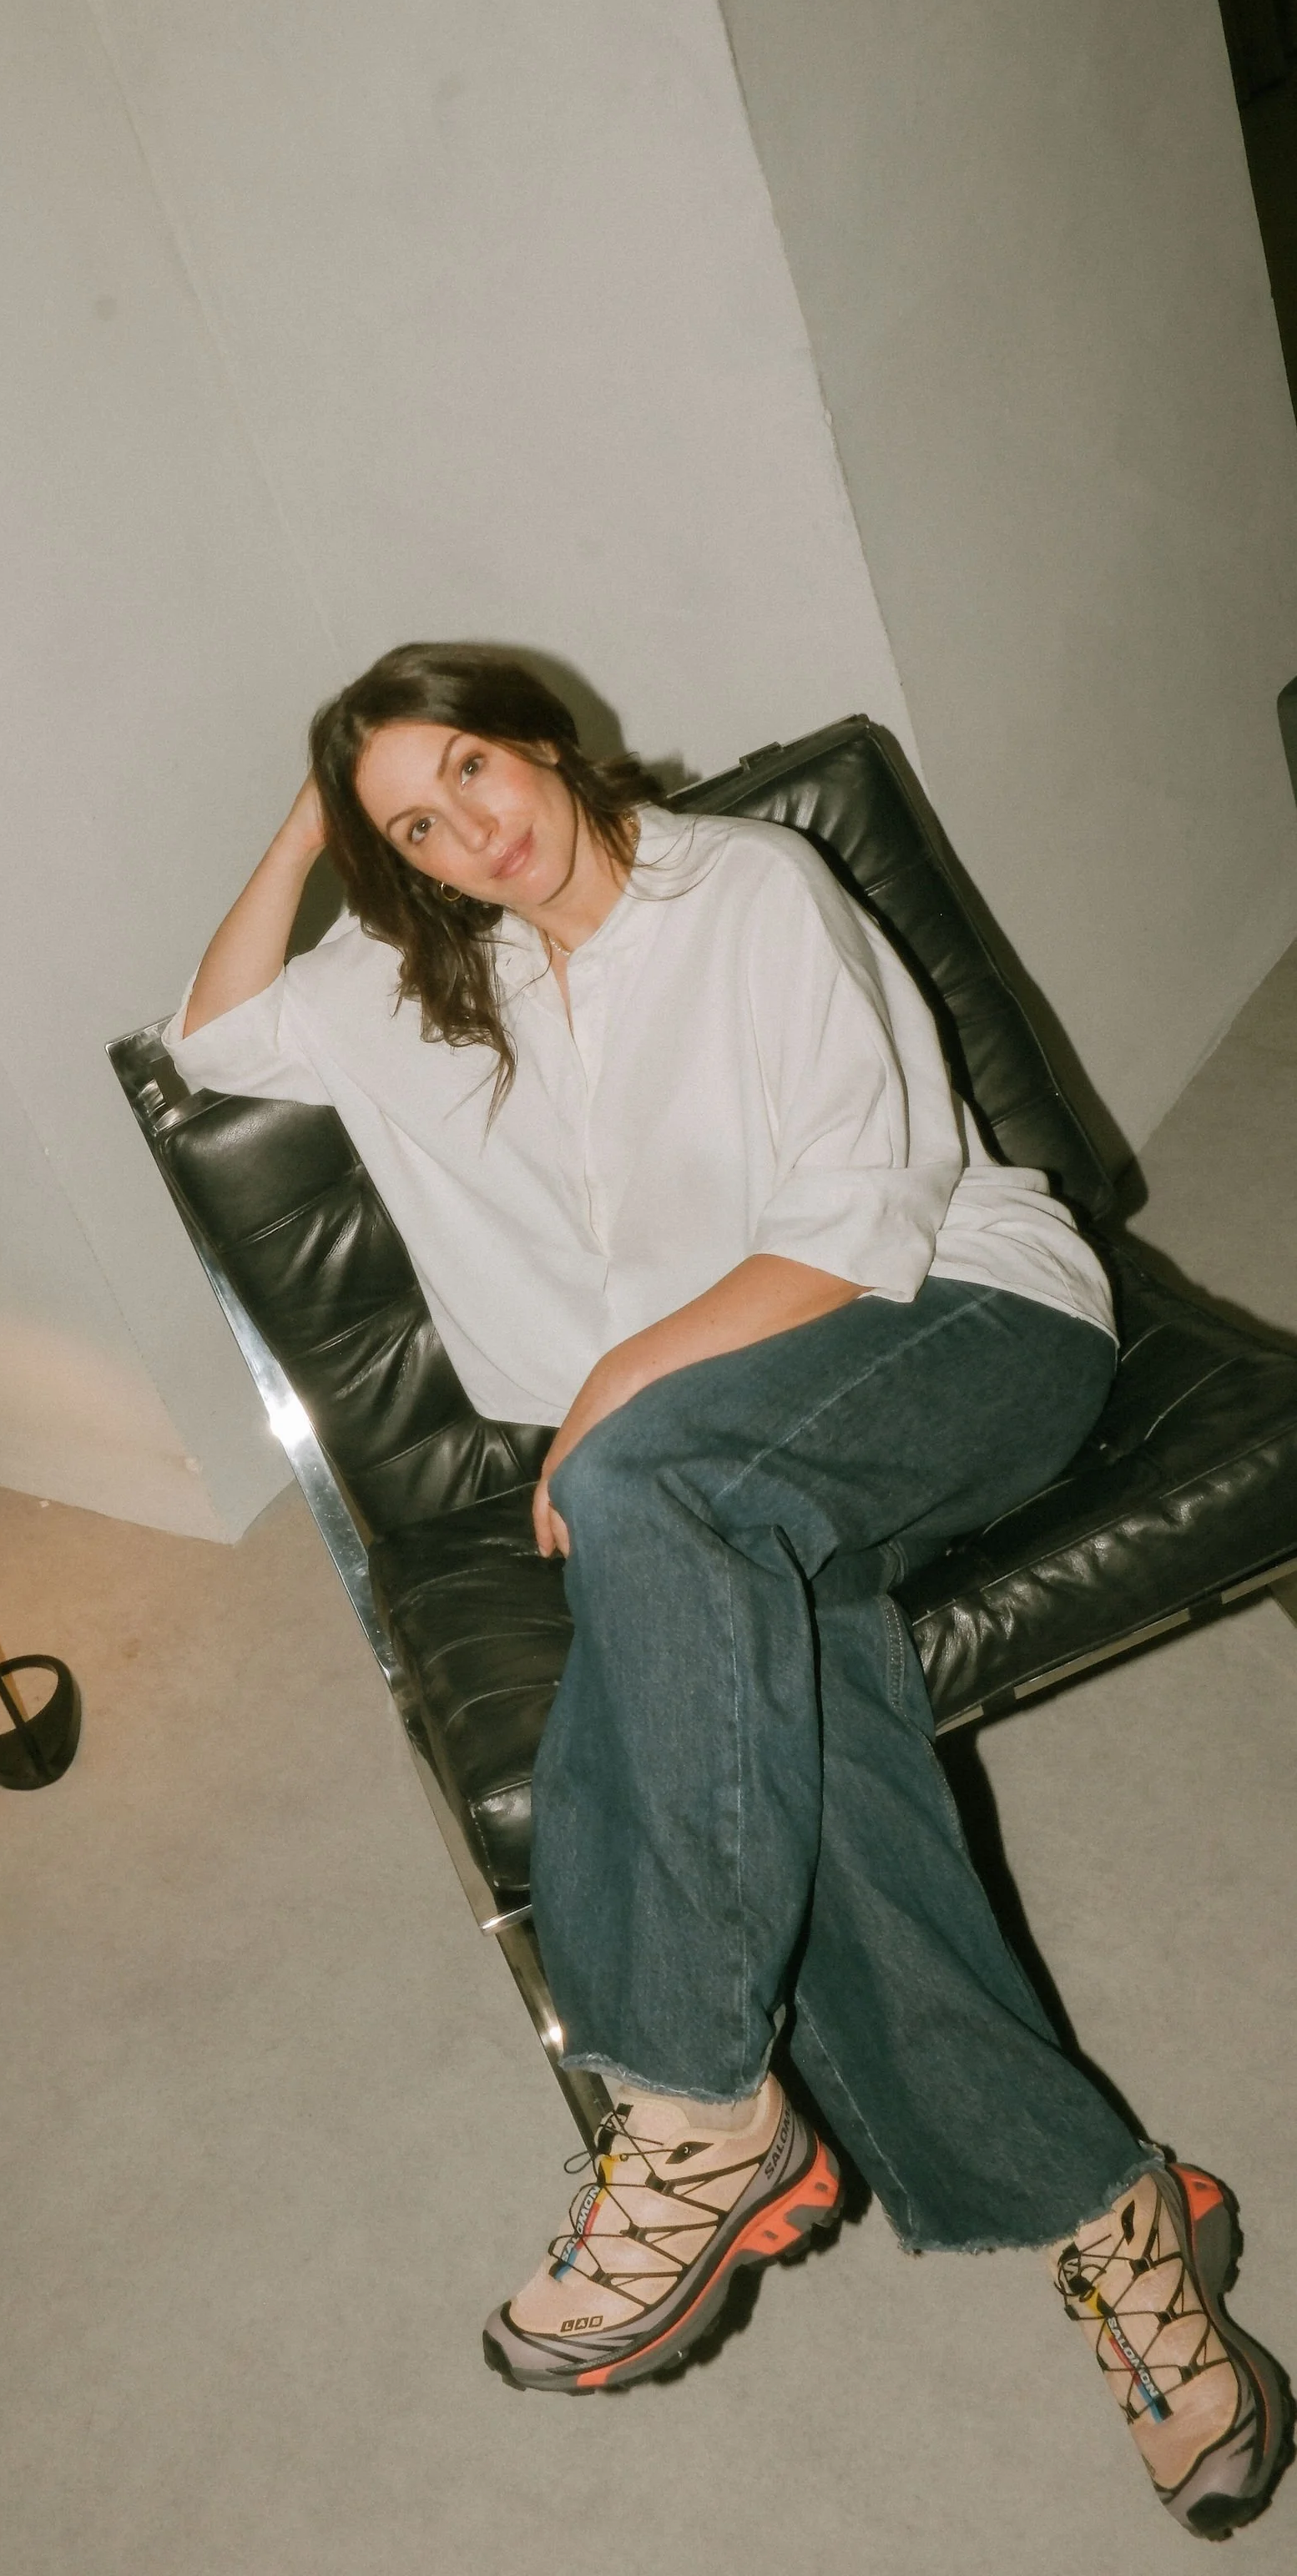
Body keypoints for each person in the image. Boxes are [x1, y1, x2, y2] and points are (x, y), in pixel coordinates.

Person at [166, 642, 1290, 2542]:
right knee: (790, 1700)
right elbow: (206, 1042)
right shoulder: (421, 988)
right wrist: (329, 800)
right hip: (736, 1476)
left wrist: (608, 1403)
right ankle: (1119, 2224)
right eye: (417, 828)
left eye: (469, 770)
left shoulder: (746, 889)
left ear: (544, 731)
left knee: (640, 1490)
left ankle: (689, 2108)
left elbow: (857, 1219)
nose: (467, 831)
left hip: (956, 1321)